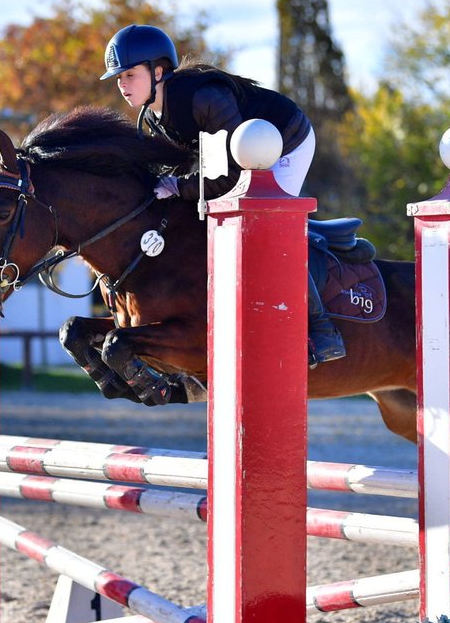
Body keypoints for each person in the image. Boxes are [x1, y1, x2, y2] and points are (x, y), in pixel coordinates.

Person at [100, 23, 346, 367]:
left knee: (267, 227)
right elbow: (184, 174)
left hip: (287, 143)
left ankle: (322, 332)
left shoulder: (204, 99)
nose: (122, 85)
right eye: (118, 78)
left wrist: (178, 187)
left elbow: (230, 177)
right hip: (246, 154)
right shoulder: (152, 117)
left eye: (129, 75)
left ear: (158, 71)